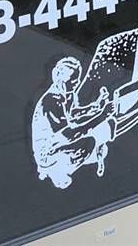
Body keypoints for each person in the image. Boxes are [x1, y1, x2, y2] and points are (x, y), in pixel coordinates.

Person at [31, 55, 118, 189]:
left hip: (62, 142)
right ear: (59, 78)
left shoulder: (69, 93)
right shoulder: (50, 102)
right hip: (48, 152)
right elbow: (67, 134)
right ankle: (57, 172)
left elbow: (72, 114)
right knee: (90, 143)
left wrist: (95, 107)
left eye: (77, 80)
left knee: (101, 142)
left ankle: (69, 162)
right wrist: (102, 115)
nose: (75, 84)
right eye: (71, 81)